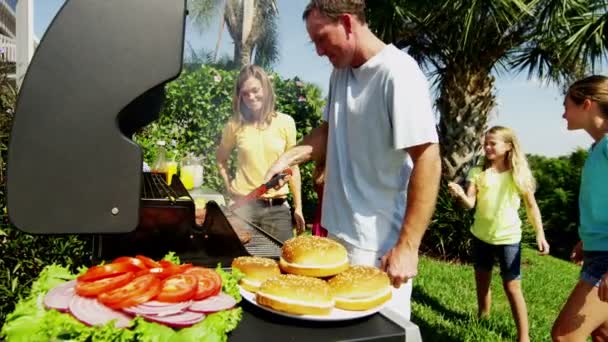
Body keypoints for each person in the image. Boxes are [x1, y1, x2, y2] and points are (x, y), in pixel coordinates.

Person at [264, 0, 442, 321]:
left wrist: (408, 247)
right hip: (335, 240)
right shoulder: (340, 73)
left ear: (347, 23)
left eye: (321, 38)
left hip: (377, 250)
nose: (318, 51)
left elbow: (428, 160)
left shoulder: (397, 73)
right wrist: (288, 158)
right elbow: (331, 128)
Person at [448, 126, 550, 342]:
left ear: (508, 146)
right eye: (485, 143)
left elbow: (531, 207)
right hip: (481, 236)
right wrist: (459, 195)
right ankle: (482, 317)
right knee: (481, 278)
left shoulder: (518, 175)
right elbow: (470, 204)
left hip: (508, 239)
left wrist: (540, 233)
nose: (487, 147)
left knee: (512, 286)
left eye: (492, 143)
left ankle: (524, 336)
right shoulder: (477, 172)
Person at [216, 65, 305, 243]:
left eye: (255, 90)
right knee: (241, 263)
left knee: (281, 263)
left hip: (277, 210)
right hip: (244, 208)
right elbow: (221, 160)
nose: (251, 97)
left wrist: (298, 208)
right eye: (245, 93)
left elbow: (293, 166)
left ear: (265, 88)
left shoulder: (286, 122)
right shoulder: (234, 125)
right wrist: (228, 187)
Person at [551, 75, 608, 342]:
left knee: (565, 335)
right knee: (602, 334)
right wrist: (588, 239)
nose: (563, 114)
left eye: (567, 105)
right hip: (599, 250)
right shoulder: (598, 147)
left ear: (587, 104)